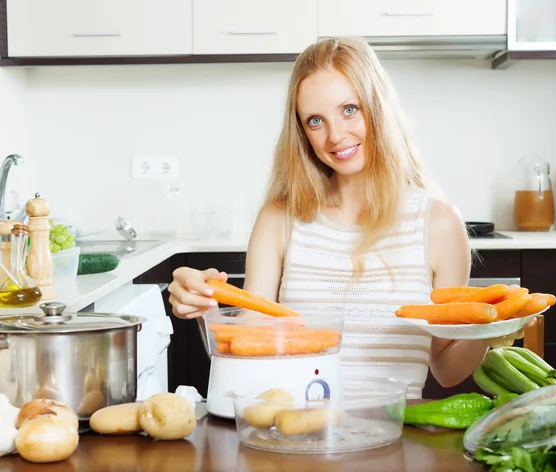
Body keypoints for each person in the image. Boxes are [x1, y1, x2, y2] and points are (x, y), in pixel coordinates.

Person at [168, 36, 525, 399]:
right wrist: (203, 305)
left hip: (391, 441)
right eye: (315, 120)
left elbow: (447, 370)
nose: (335, 135)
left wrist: (487, 329)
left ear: (378, 106)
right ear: (302, 133)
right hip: (296, 435)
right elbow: (245, 356)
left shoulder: (438, 225)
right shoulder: (280, 219)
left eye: (350, 109)